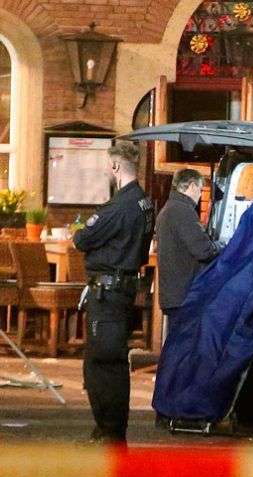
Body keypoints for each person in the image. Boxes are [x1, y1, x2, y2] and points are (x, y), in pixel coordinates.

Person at [73, 140, 155, 444]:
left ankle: (110, 429)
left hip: (108, 294)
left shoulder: (119, 206)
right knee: (113, 361)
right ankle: (111, 427)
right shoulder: (144, 202)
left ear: (116, 166)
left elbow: (82, 239)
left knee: (103, 363)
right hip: (122, 288)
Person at [155, 168, 221, 319]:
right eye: (199, 189)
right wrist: (221, 246)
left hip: (174, 295)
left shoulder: (168, 209)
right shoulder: (182, 211)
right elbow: (203, 251)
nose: (199, 195)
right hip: (185, 296)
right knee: (185, 341)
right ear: (191, 186)